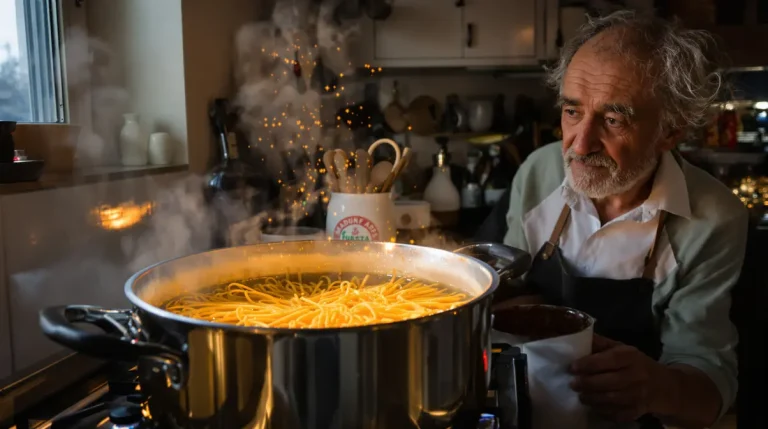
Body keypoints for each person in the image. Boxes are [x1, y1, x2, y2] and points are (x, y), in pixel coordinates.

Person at [500, 10, 747, 429]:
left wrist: (657, 387)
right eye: (572, 111)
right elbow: (506, 291)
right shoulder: (539, 172)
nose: (579, 145)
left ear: (671, 130)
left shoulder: (712, 219)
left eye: (613, 120)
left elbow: (711, 384)